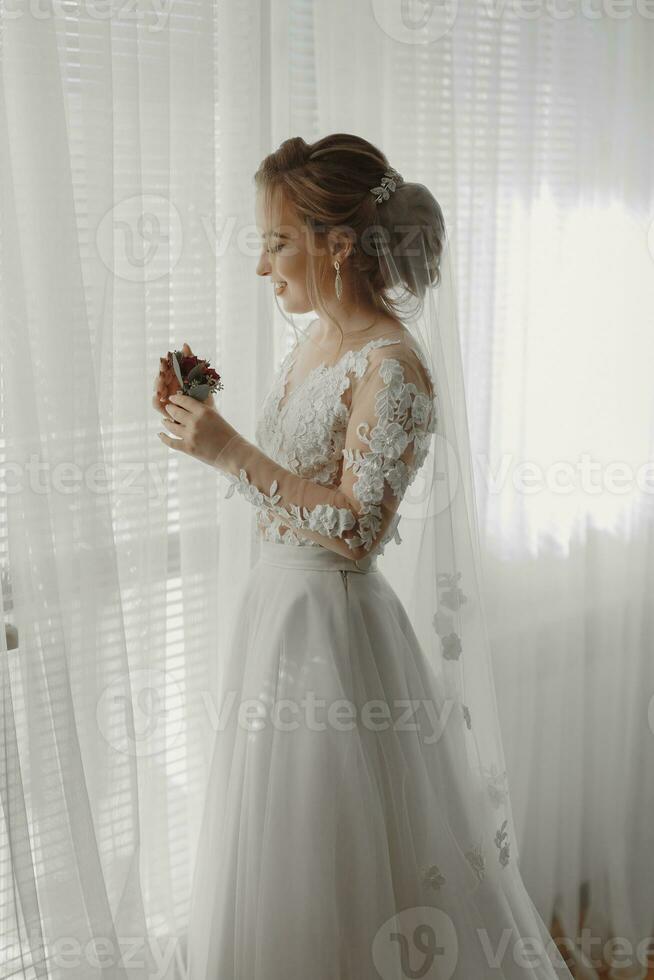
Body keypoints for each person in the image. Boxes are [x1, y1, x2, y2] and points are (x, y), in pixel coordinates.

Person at [154, 134, 574, 980]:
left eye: (277, 242)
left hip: (334, 638)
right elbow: (287, 487)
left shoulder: (396, 367)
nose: (264, 266)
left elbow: (355, 528)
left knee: (336, 848)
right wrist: (202, 423)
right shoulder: (313, 346)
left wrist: (229, 451)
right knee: (275, 854)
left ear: (337, 243)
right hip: (271, 621)